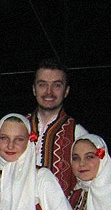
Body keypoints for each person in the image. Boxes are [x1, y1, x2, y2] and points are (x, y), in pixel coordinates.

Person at [28, 59, 88, 196]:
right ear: (34, 89)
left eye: (57, 85)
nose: (49, 92)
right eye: (42, 85)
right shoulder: (18, 128)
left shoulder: (78, 134)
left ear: (66, 91)